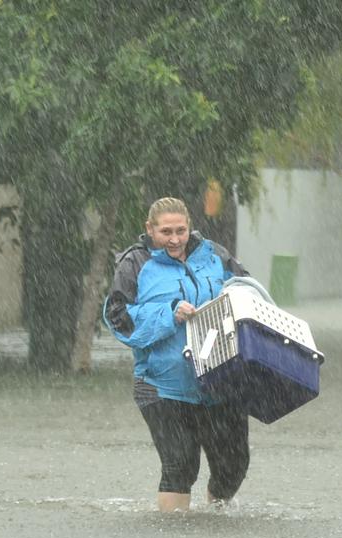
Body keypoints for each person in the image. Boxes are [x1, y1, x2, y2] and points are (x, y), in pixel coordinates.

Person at [103, 197, 252, 512]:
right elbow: (119, 319)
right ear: (149, 228)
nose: (174, 239)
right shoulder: (135, 264)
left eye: (180, 231)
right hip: (162, 386)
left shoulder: (215, 255)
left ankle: (216, 521)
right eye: (165, 231)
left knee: (234, 466)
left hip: (220, 381)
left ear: (190, 227)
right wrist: (169, 313)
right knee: (180, 464)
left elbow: (249, 292)